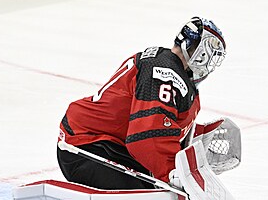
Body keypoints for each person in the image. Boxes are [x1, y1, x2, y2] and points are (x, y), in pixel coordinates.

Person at [57, 16, 227, 190]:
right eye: (211, 53)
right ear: (200, 52)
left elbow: (163, 123)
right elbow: (148, 135)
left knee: (161, 192)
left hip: (111, 145)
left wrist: (198, 139)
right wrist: (173, 173)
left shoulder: (170, 69)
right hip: (87, 146)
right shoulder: (164, 72)